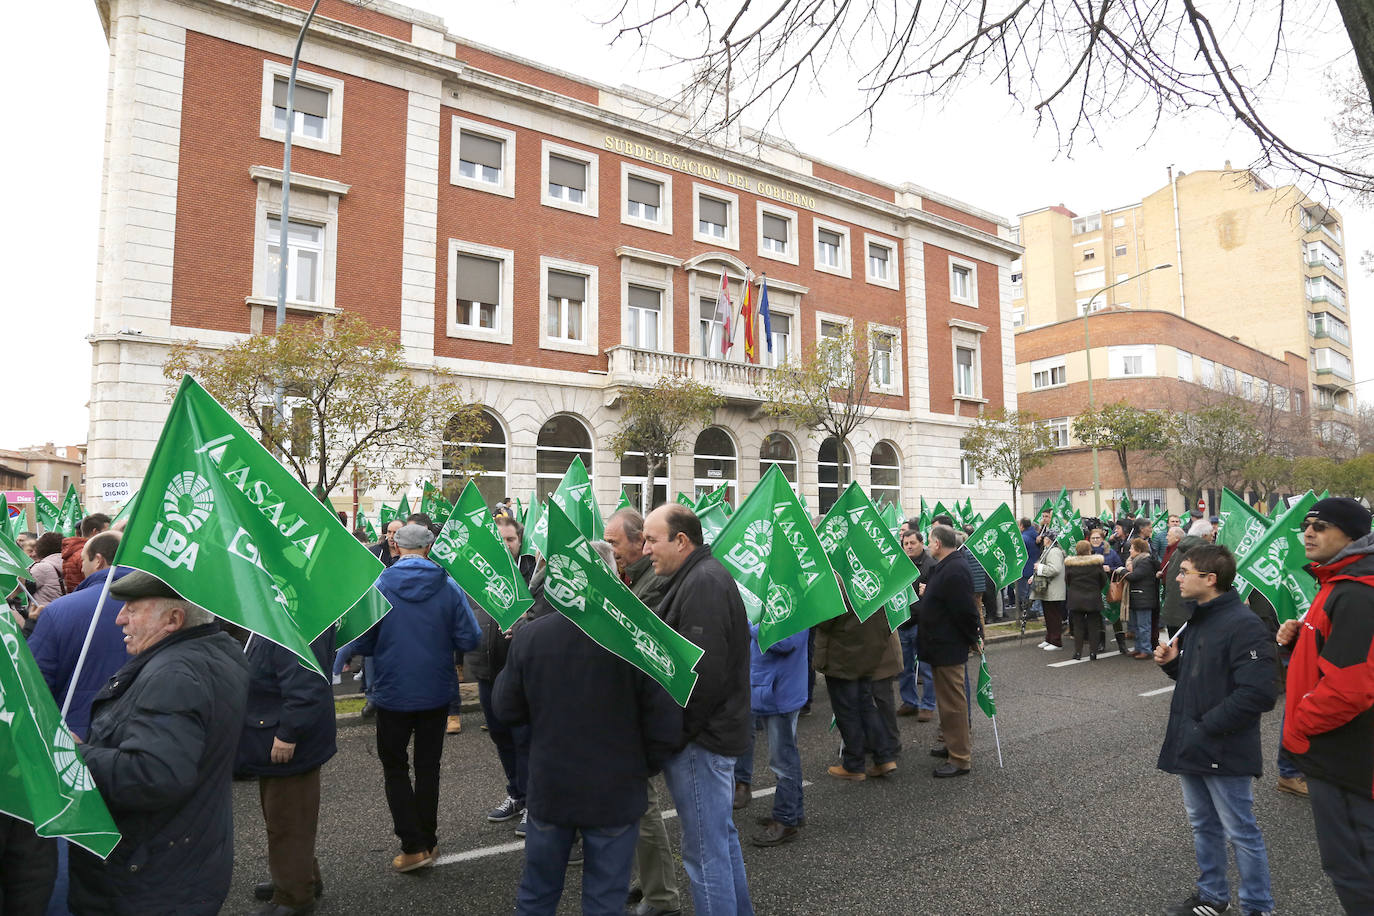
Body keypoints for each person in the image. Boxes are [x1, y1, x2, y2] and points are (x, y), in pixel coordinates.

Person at [494, 538, 680, 915]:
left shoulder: (532, 636)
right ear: (612, 578)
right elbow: (666, 726)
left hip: (552, 786)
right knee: (604, 899)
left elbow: (505, 708)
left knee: (537, 894)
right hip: (616, 790)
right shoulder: (639, 639)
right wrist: (639, 767)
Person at [67, 570, 251, 915]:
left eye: (133, 609)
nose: (120, 619)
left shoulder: (174, 675)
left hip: (148, 878)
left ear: (173, 620)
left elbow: (153, 776)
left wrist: (74, 754)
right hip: (182, 859)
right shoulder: (214, 649)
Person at [1153, 545, 1277, 916]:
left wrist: (1206, 727)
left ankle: (1257, 906)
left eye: (1184, 571)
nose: (1177, 577)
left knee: (1240, 831)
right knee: (1203, 825)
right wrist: (1173, 664)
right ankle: (1212, 897)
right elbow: (1201, 679)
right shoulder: (1199, 618)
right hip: (1194, 743)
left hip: (1223, 747)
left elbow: (1258, 692)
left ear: (1209, 579)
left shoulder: (1244, 624)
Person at [642, 503, 753, 916]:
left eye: (651, 540)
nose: (645, 549)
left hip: (700, 742)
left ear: (681, 541)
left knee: (704, 854)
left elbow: (703, 676)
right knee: (719, 842)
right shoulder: (698, 576)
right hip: (708, 736)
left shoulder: (703, 582)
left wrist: (677, 734)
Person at [353, 524, 481, 872]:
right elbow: (470, 639)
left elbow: (361, 641)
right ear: (429, 547)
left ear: (396, 547)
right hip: (436, 690)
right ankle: (429, 841)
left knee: (395, 767)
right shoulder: (449, 586)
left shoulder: (379, 585)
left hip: (392, 691)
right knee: (428, 767)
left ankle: (413, 846)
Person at [1275, 497, 1374, 912]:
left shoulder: (1357, 592)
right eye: (1306, 526)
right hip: (1337, 753)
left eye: (1321, 526)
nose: (1308, 533)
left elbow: (1350, 687)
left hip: (1346, 760)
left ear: (1351, 535)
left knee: (1354, 867)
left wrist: (1299, 727)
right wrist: (1300, 639)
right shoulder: (1335, 582)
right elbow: (1335, 656)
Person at [605, 509, 679, 916]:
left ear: (638, 542)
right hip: (634, 704)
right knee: (637, 803)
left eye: (614, 543)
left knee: (643, 803)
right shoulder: (634, 576)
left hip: (642, 706)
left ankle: (662, 896)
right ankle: (652, 881)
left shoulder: (655, 582)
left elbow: (633, 633)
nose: (610, 550)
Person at [236, 626, 336, 916]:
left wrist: (289, 733)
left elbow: (306, 685)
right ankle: (298, 877)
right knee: (286, 819)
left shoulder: (295, 620)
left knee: (287, 822)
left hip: (289, 739)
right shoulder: (282, 614)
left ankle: (294, 898)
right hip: (273, 732)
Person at [28, 532, 130, 738]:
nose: (81, 568)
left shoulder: (58, 611)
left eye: (83, 560)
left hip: (75, 734)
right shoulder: (163, 606)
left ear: (98, 560)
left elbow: (34, 684)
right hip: (141, 734)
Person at [467, 516, 532, 829]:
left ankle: (534, 801)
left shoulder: (532, 576)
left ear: (520, 542)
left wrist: (524, 625)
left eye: (510, 540)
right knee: (500, 736)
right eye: (500, 540)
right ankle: (516, 794)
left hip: (521, 675)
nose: (505, 546)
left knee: (524, 739)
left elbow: (542, 619)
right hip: (486, 672)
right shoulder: (477, 577)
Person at [917, 524, 981, 778]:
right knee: (946, 703)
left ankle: (960, 758)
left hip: (949, 646)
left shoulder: (955, 569)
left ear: (938, 544)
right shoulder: (946, 566)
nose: (927, 545)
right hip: (939, 646)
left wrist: (973, 638)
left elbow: (965, 611)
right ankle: (951, 745)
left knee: (953, 704)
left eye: (929, 540)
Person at [737, 623, 808, 847]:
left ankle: (785, 820)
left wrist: (750, 623)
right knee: (787, 756)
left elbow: (785, 641)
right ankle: (793, 813)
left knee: (782, 761)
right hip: (776, 688)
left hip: (780, 691)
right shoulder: (790, 602)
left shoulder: (793, 604)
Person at [896, 530, 936, 720]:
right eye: (906, 544)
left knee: (926, 668)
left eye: (912, 543)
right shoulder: (899, 565)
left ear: (922, 543)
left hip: (922, 623)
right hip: (903, 623)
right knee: (904, 668)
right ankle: (909, 702)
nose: (909, 547)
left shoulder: (931, 565)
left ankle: (927, 705)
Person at [1064, 540, 1109, 661]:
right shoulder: (1096, 564)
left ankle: (1078, 652)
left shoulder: (1070, 565)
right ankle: (1093, 653)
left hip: (1076, 598)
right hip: (1093, 597)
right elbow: (1103, 580)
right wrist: (1096, 589)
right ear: (1089, 550)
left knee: (1078, 626)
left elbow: (1067, 580)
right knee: (1094, 626)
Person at [1123, 537, 1160, 659]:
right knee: (1137, 626)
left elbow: (1134, 576)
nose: (1129, 551)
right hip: (1138, 596)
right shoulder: (1138, 561)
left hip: (1144, 598)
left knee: (1144, 627)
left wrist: (1122, 571)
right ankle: (1138, 648)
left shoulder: (1145, 562)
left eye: (1132, 548)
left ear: (1139, 550)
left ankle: (1146, 650)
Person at [1032, 530, 1067, 650]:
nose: (1043, 539)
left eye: (1045, 538)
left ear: (1049, 539)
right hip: (1048, 588)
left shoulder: (1054, 551)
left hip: (1053, 588)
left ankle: (1056, 641)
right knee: (1048, 616)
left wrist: (1040, 567)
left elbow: (1055, 569)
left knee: (1053, 616)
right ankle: (1049, 638)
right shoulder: (1048, 550)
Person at [61, 515, 109, 595]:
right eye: (107, 532)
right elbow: (97, 582)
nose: (110, 535)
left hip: (78, 596)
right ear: (95, 532)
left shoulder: (75, 550)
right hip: (89, 596)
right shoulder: (86, 553)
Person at [27, 533, 65, 608]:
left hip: (43, 611)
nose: (33, 554)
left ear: (41, 548)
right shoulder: (69, 562)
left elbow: (22, 587)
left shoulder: (42, 568)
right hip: (62, 609)